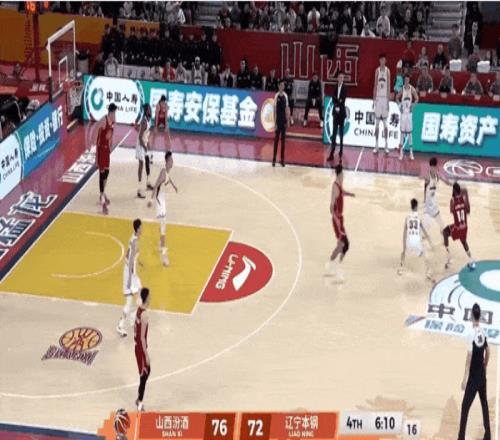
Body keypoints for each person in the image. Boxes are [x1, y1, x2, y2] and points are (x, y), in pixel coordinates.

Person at [457, 303, 490, 440]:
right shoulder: (483, 331)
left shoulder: (471, 334)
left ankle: (461, 437)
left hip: (473, 377)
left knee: (465, 407)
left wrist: (465, 378)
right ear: (479, 316)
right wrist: (485, 366)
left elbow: (469, 359)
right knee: (484, 403)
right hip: (482, 375)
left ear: (471, 316)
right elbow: (488, 351)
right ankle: (488, 435)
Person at [148, 151, 178, 267]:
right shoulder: (163, 172)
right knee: (163, 226)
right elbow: (156, 185)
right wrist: (151, 200)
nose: (172, 162)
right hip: (160, 200)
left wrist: (174, 186)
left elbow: (169, 180)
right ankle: (164, 255)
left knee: (163, 224)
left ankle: (161, 244)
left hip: (163, 200)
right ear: (167, 161)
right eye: (171, 160)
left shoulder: (167, 172)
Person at [326, 164, 355, 280]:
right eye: (343, 174)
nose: (344, 176)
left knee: (342, 245)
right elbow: (331, 206)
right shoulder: (335, 187)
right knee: (344, 245)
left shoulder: (339, 184)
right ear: (340, 174)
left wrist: (350, 194)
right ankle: (335, 267)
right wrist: (337, 221)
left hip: (339, 219)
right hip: (337, 220)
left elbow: (341, 193)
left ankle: (332, 266)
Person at [117, 219, 142, 337]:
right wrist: (130, 280)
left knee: (135, 299)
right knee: (133, 300)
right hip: (130, 273)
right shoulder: (135, 241)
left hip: (130, 271)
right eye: (141, 227)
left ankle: (127, 320)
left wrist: (138, 261)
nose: (142, 229)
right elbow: (131, 259)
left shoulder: (133, 238)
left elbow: (131, 254)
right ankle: (125, 322)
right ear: (138, 229)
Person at [398, 198, 432, 280]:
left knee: (403, 253)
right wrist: (430, 241)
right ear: (416, 206)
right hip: (417, 243)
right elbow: (425, 232)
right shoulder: (419, 218)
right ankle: (428, 273)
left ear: (411, 207)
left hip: (409, 242)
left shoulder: (407, 218)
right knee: (425, 255)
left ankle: (401, 269)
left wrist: (404, 247)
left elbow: (404, 233)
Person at [443, 183, 475, 270]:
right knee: (463, 242)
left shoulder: (453, 200)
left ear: (454, 190)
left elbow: (451, 211)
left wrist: (453, 202)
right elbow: (468, 211)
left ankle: (449, 258)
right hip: (464, 227)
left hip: (457, 228)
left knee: (445, 232)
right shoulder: (464, 199)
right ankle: (471, 259)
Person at [93, 103, 117, 215]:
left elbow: (111, 134)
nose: (115, 114)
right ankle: (102, 200)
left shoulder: (113, 121)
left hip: (107, 150)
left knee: (107, 172)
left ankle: (102, 193)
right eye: (114, 112)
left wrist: (111, 144)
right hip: (101, 149)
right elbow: (95, 129)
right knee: (102, 173)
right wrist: (94, 143)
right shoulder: (104, 120)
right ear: (111, 113)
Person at [423, 157, 451, 234]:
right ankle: (422, 236)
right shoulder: (427, 177)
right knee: (426, 222)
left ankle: (443, 233)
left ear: (435, 166)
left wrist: (452, 184)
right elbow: (425, 188)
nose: (433, 169)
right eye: (432, 167)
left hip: (433, 203)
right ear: (430, 166)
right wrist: (425, 199)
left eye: (434, 167)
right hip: (428, 203)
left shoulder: (437, 175)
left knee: (439, 220)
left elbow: (446, 181)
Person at [134, 287, 151, 412]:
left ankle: (139, 399)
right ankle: (139, 401)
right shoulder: (144, 315)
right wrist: (146, 355)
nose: (150, 298)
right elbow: (142, 338)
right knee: (145, 373)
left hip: (137, 346)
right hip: (140, 347)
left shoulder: (139, 310)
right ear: (146, 299)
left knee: (145, 373)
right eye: (149, 296)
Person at [396, 74, 418, 161]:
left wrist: (413, 105)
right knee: (402, 133)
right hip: (403, 114)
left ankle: (411, 152)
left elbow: (417, 98)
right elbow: (397, 98)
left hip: (409, 113)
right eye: (405, 80)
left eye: (408, 80)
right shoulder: (402, 89)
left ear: (409, 80)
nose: (406, 81)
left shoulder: (412, 89)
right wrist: (399, 106)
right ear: (404, 81)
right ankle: (401, 153)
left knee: (409, 133)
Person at [373, 53, 390, 154]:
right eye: (381, 60)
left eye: (384, 59)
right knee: (377, 124)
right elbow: (375, 85)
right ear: (379, 61)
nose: (383, 61)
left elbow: (388, 87)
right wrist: (374, 100)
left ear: (385, 60)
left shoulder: (387, 71)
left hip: (385, 99)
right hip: (378, 99)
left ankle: (386, 145)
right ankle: (376, 145)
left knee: (385, 124)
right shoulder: (377, 71)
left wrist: (388, 102)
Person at [328, 71, 347, 162]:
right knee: (334, 131)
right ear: (337, 78)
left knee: (341, 132)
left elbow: (342, 99)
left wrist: (338, 102)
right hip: (335, 112)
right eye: (339, 77)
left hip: (341, 113)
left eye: (342, 77)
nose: (341, 79)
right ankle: (332, 152)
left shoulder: (345, 87)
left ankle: (341, 149)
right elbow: (333, 98)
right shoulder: (335, 86)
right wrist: (336, 104)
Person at [136, 104, 153, 199]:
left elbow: (146, 135)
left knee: (147, 162)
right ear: (146, 111)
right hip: (140, 145)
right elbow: (140, 137)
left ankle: (148, 183)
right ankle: (139, 190)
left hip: (145, 143)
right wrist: (145, 147)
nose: (151, 110)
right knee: (141, 165)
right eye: (149, 109)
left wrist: (148, 145)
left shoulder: (148, 120)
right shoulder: (144, 121)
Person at [272, 80, 290, 167]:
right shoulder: (276, 96)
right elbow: (274, 110)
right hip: (278, 121)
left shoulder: (286, 96)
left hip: (283, 121)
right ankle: (274, 159)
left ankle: (282, 160)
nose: (282, 87)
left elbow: (287, 109)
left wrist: (288, 120)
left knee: (283, 141)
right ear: (278, 86)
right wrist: (275, 123)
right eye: (281, 85)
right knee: (276, 141)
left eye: (283, 85)